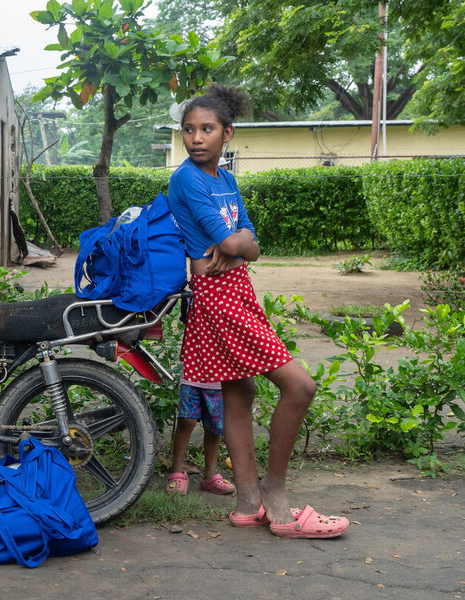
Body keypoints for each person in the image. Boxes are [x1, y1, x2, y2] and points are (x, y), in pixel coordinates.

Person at [166, 85, 348, 538]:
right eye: (188, 129)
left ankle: (248, 503)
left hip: (236, 289)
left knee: (239, 392)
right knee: (300, 386)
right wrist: (239, 244)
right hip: (217, 296)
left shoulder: (225, 180)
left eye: (207, 129)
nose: (196, 138)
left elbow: (249, 242)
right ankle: (275, 493)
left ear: (227, 133)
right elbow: (233, 241)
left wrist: (241, 245)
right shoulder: (187, 179)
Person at [166, 378, 235, 496]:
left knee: (214, 427)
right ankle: (176, 470)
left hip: (219, 381)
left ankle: (210, 476)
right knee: (186, 420)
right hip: (192, 378)